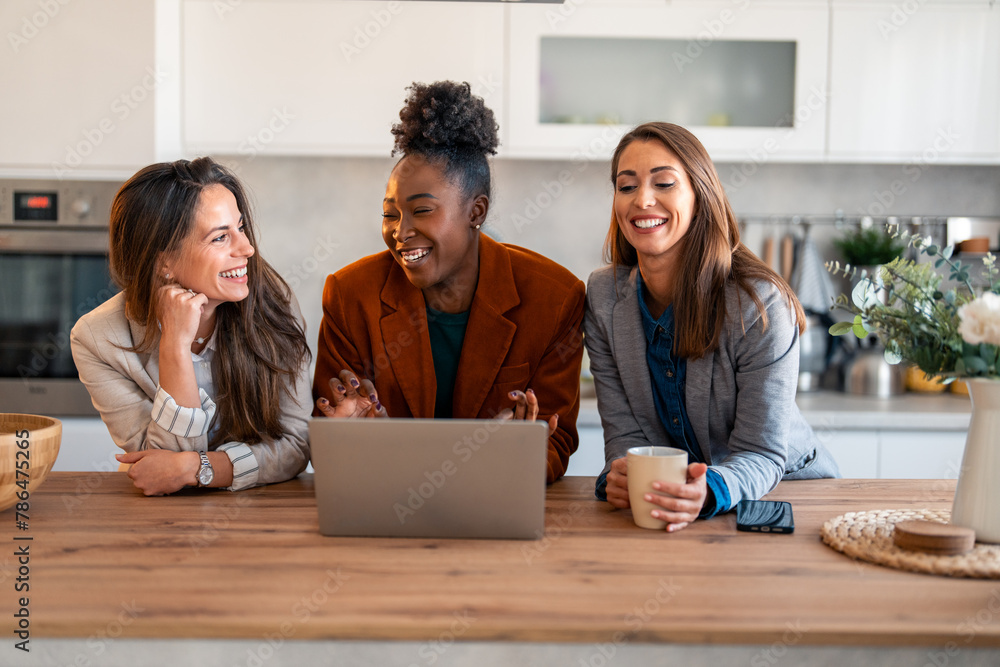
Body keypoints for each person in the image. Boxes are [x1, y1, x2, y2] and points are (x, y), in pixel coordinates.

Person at [313, 81, 585, 483]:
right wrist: (346, 438)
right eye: (390, 214)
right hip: (387, 508)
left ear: (476, 211)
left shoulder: (555, 297)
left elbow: (555, 443)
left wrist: (515, 453)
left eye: (421, 210)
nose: (401, 232)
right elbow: (328, 444)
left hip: (494, 512)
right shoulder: (351, 295)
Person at [584, 122, 839, 531]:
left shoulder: (758, 303)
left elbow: (761, 451)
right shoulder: (602, 297)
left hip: (785, 494)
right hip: (677, 507)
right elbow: (625, 436)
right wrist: (620, 476)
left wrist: (708, 491)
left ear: (701, 196)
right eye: (626, 186)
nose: (642, 200)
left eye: (664, 183)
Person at [71, 157, 314, 495]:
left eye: (240, 228)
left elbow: (295, 446)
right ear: (164, 261)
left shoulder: (273, 306)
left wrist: (195, 468)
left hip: (263, 515)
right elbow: (159, 468)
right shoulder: (98, 339)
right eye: (220, 238)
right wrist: (175, 346)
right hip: (164, 526)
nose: (247, 248)